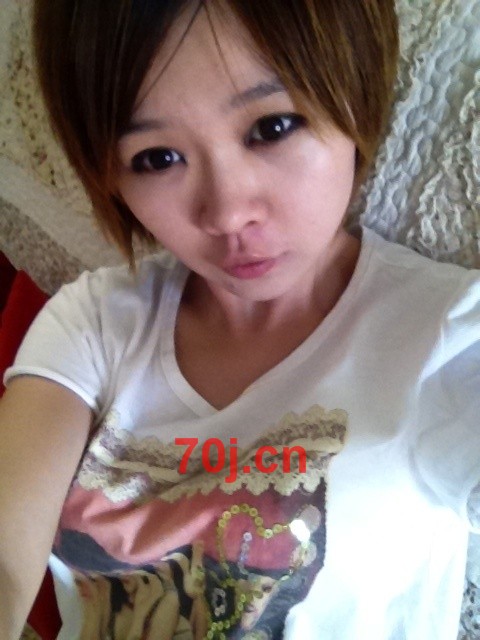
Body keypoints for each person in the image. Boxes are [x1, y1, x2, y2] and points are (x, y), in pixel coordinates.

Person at [0, 1, 478, 639]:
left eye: (273, 127)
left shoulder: (446, 334)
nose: (226, 213)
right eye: (157, 158)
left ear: (356, 92)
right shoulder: (96, 323)